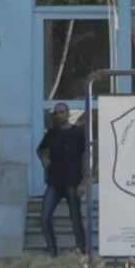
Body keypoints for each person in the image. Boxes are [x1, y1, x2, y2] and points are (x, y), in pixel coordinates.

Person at [36, 102, 88, 256]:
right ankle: (53, 252)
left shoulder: (78, 133)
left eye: (61, 112)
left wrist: (84, 182)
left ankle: (82, 251)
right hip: (54, 182)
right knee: (45, 218)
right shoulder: (51, 133)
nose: (58, 115)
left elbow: (86, 157)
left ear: (68, 114)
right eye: (56, 113)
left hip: (73, 182)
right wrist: (43, 159)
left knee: (75, 219)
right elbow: (40, 149)